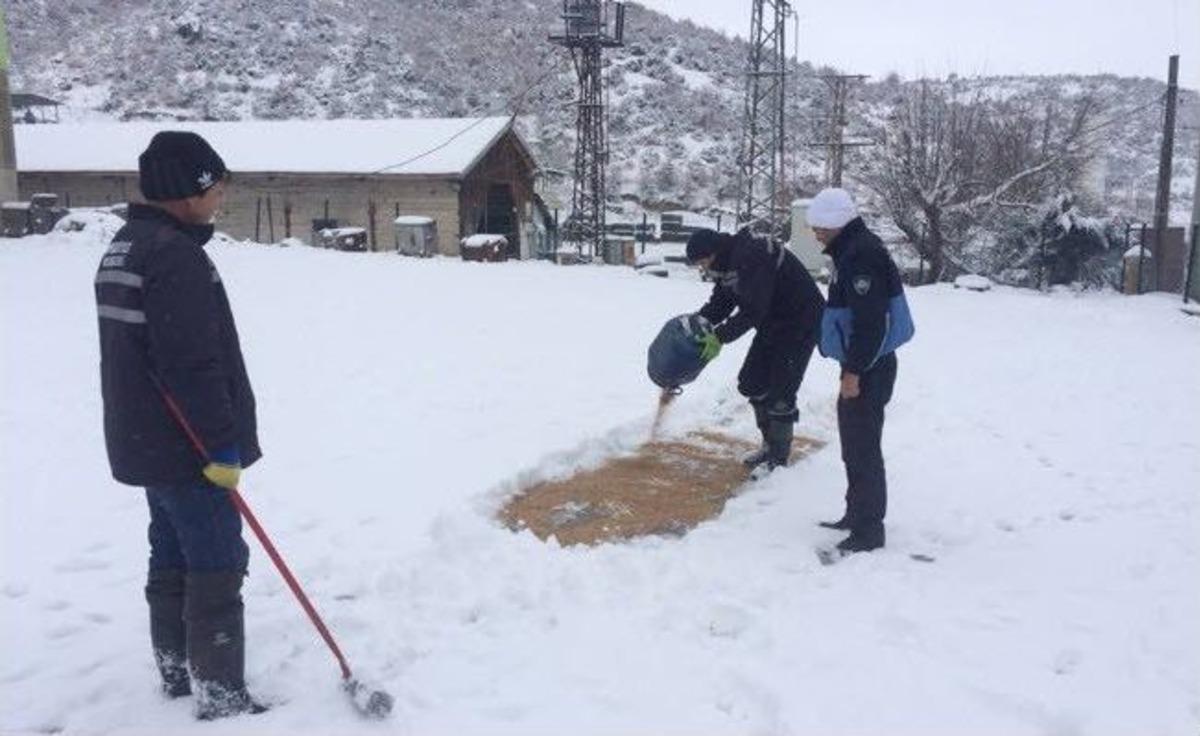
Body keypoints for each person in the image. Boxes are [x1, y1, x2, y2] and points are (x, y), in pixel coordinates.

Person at [94, 131, 265, 719]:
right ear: (187, 190)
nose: (221, 193)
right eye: (214, 183)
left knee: (170, 555)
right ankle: (221, 694)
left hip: (148, 440)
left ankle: (177, 674)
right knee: (217, 561)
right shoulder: (174, 256)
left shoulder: (127, 246)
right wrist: (221, 446)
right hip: (188, 447)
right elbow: (192, 364)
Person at [810, 188, 915, 555]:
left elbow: (870, 322)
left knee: (864, 448)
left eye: (819, 226)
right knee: (854, 446)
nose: (815, 233)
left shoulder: (861, 255)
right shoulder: (851, 249)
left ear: (836, 222)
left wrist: (853, 372)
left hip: (869, 366)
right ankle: (855, 514)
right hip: (863, 363)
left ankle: (870, 530)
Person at [685, 227, 826, 478]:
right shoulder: (728, 263)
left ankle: (778, 461)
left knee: (782, 391)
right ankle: (769, 445)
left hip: (801, 322)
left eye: (702, 261)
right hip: (773, 323)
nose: (702, 268)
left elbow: (752, 310)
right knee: (751, 383)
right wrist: (697, 324)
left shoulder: (753, 256)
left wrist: (719, 337)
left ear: (713, 252)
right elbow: (722, 302)